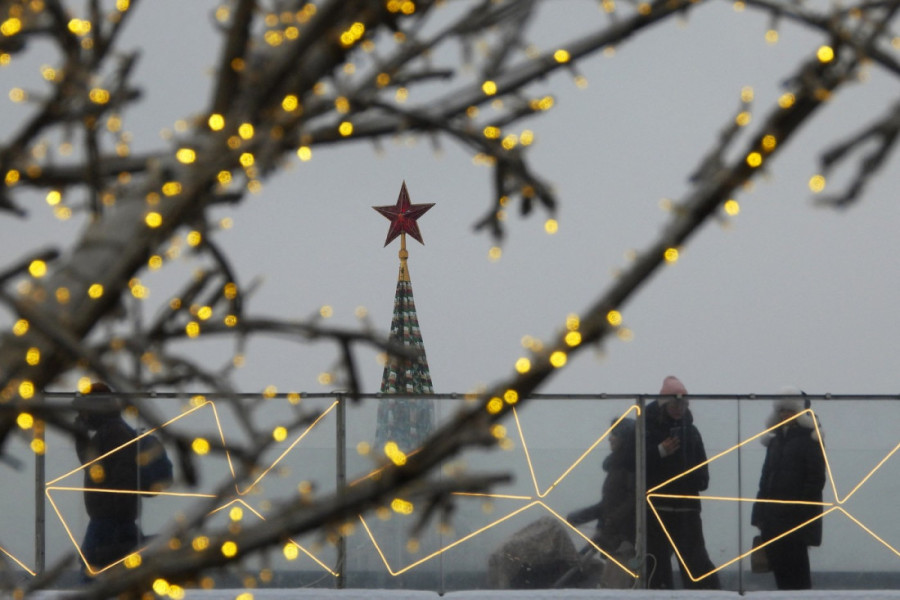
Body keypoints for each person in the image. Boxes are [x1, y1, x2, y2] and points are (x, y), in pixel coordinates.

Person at [644, 375, 720, 589]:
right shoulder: (649, 429)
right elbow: (633, 463)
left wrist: (694, 477)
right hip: (660, 508)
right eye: (675, 403)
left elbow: (703, 473)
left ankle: (706, 594)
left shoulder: (691, 432)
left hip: (683, 508)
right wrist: (660, 452)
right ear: (664, 405)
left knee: (694, 564)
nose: (679, 408)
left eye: (683, 404)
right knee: (659, 565)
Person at [751, 391, 826, 590]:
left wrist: (799, 510)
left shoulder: (810, 439)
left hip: (794, 519)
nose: (785, 414)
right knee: (782, 573)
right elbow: (765, 479)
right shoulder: (776, 440)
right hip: (774, 517)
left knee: (797, 573)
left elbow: (816, 479)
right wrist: (759, 513)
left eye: (790, 410)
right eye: (782, 410)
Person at [73, 382, 142, 574]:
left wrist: (118, 516)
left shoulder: (114, 433)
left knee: (91, 571)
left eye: (85, 411)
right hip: (110, 518)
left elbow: (103, 470)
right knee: (96, 568)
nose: (83, 416)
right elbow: (93, 465)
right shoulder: (112, 431)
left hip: (110, 520)